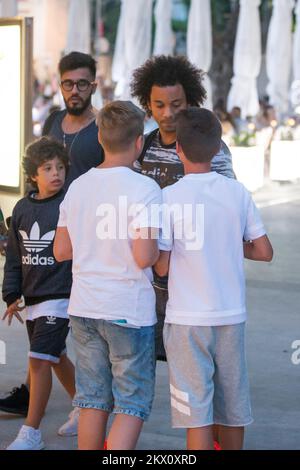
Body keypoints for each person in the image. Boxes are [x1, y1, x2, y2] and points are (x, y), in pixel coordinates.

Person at [154, 108, 273, 450]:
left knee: (197, 415)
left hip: (186, 321)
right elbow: (264, 251)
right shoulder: (237, 193)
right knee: (232, 410)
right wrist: (231, 246)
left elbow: (161, 268)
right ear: (220, 148)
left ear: (178, 149)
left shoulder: (168, 198)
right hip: (230, 318)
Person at [0, 52, 104, 431]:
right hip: (45, 241)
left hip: (85, 243)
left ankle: (52, 416)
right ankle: (75, 400)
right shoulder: (54, 120)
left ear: (94, 84)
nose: (74, 90)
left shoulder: (101, 127)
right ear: (59, 85)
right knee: (52, 343)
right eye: (68, 83)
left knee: (77, 340)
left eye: (82, 83)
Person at [54, 101, 161, 450]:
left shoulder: (78, 186)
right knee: (131, 404)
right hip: (128, 309)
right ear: (138, 143)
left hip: (84, 307)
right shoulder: (145, 189)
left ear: (99, 138)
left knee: (91, 401)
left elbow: (61, 251)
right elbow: (144, 256)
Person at [130, 55, 235, 360]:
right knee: (142, 367)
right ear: (147, 104)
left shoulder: (213, 149)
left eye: (176, 104)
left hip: (197, 286)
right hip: (149, 285)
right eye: (159, 105)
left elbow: (228, 205)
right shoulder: (142, 147)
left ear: (190, 101)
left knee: (195, 372)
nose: (167, 113)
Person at [2, 137, 76, 450]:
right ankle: (86, 407)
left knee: (38, 360)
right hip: (33, 300)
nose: (56, 173)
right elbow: (15, 258)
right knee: (55, 357)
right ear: (33, 174)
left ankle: (30, 433)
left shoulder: (69, 204)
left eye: (60, 167)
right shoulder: (21, 208)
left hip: (61, 297)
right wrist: (10, 294)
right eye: (47, 168)